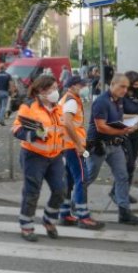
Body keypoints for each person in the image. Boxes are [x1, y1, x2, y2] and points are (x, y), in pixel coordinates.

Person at [12, 75, 66, 242]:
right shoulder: (29, 107)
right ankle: (26, 226)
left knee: (60, 190)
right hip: (34, 157)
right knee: (32, 192)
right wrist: (36, 134)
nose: (55, 92)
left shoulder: (58, 108)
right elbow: (16, 130)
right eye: (51, 90)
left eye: (56, 88)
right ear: (41, 91)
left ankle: (49, 220)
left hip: (55, 156)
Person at [85, 74, 138, 225]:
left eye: (126, 87)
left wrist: (135, 118)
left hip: (114, 145)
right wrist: (124, 131)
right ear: (112, 84)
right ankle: (73, 204)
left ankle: (124, 212)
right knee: (89, 176)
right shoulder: (101, 102)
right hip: (98, 145)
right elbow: (101, 126)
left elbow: (118, 117)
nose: (125, 90)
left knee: (122, 175)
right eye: (122, 86)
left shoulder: (118, 100)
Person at [58, 76, 104, 230]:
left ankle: (64, 213)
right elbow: (67, 122)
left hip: (65, 145)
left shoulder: (66, 99)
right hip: (73, 146)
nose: (85, 87)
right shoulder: (71, 101)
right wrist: (79, 145)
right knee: (81, 179)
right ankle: (83, 216)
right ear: (72, 86)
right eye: (81, 85)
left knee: (70, 180)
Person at [116, 71, 138, 203]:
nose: (137, 87)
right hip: (123, 132)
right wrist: (137, 116)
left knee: (132, 165)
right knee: (128, 164)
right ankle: (118, 191)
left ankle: (124, 192)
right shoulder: (122, 96)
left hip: (135, 132)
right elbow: (119, 114)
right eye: (135, 84)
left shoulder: (137, 96)